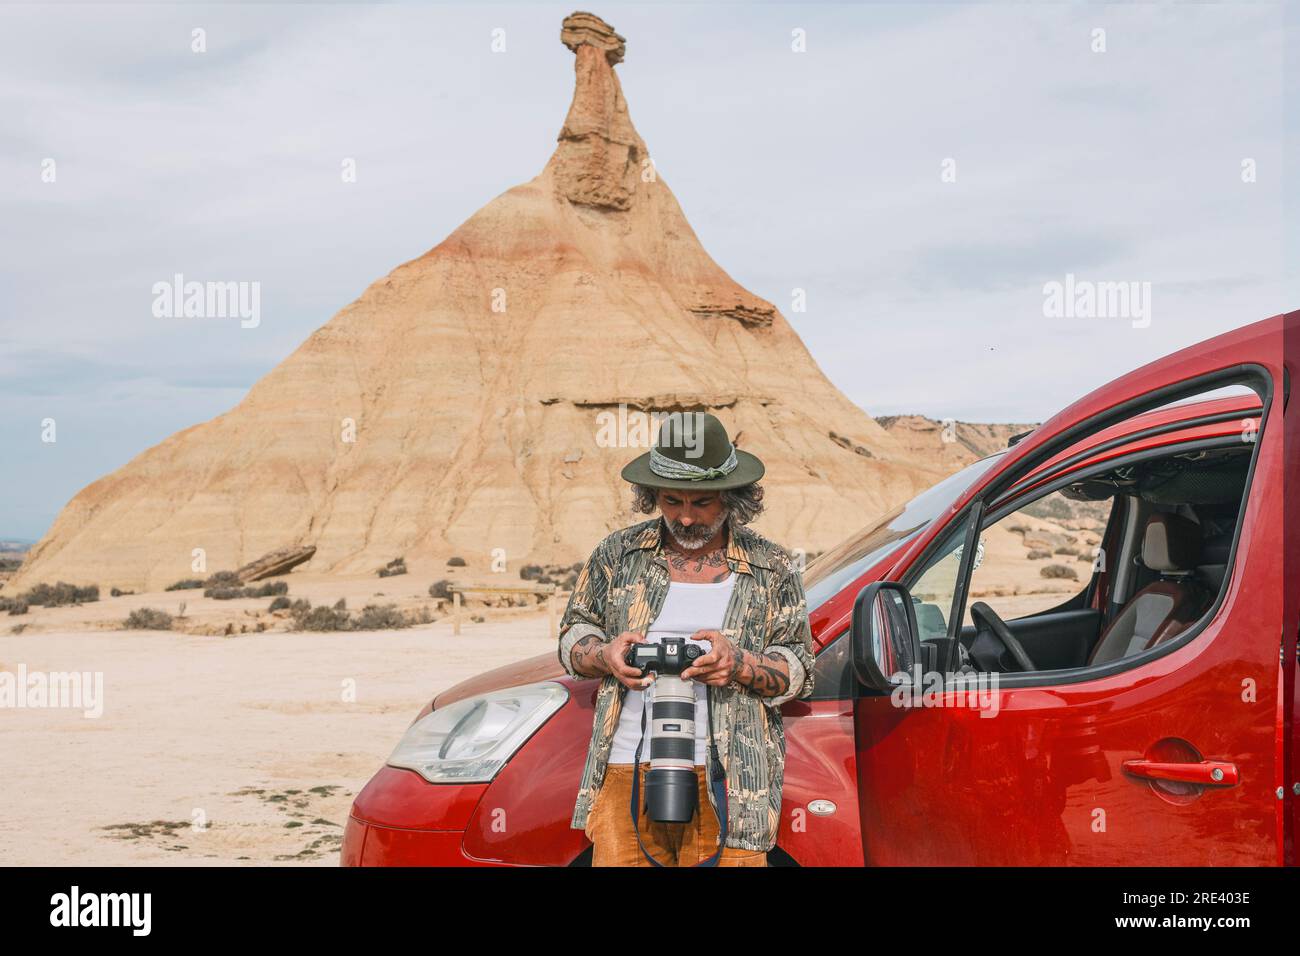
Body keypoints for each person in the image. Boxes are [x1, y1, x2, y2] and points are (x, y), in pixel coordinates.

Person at [557, 411, 815, 866]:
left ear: (732, 498)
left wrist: (737, 664)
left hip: (735, 779)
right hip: (625, 769)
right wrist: (605, 654)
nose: (686, 517)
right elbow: (574, 635)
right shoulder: (618, 554)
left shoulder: (771, 566)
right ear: (652, 493)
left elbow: (798, 669)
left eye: (703, 503)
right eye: (672, 500)